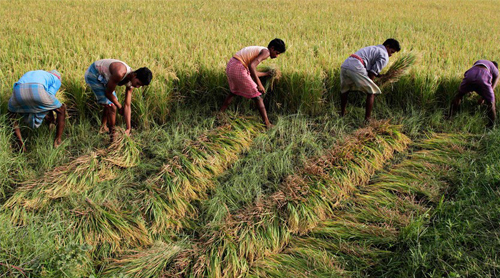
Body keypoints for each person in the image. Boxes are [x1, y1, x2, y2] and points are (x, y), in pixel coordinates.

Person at [220, 38, 286, 128]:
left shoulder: (260, 50)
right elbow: (252, 66)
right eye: (277, 53)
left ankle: (220, 113)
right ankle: (267, 124)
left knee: (233, 92)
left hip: (232, 65)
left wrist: (266, 74)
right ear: (272, 48)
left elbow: (251, 71)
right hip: (239, 67)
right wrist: (259, 84)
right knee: (258, 97)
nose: (277, 56)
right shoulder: (266, 52)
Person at [85, 59, 152, 138]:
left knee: (110, 102)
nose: (137, 87)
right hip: (94, 73)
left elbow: (127, 105)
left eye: (140, 86)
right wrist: (119, 106)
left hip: (104, 78)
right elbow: (108, 93)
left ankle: (103, 127)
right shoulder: (120, 73)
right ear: (134, 75)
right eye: (138, 83)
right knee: (112, 106)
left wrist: (128, 128)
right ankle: (112, 136)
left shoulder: (131, 82)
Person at [340, 38, 401, 122]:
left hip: (346, 64)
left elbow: (369, 66)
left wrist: (379, 75)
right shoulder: (384, 55)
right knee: (372, 92)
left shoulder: (374, 48)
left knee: (345, 90)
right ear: (387, 46)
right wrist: (371, 83)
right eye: (392, 52)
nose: (391, 55)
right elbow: (372, 73)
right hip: (356, 66)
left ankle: (342, 114)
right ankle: (367, 120)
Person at [8, 70, 66, 151]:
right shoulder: (56, 79)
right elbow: (50, 96)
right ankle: (58, 140)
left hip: (18, 90)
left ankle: (20, 144)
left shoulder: (37, 74)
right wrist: (49, 117)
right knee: (61, 109)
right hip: (37, 89)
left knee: (11, 114)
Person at [449, 60, 498, 127]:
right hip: (483, 76)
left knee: (459, 96)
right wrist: (486, 96)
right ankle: (491, 126)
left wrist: (469, 90)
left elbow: (474, 74)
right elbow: (494, 80)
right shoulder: (494, 68)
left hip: (470, 74)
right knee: (491, 103)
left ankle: (450, 117)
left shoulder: (480, 61)